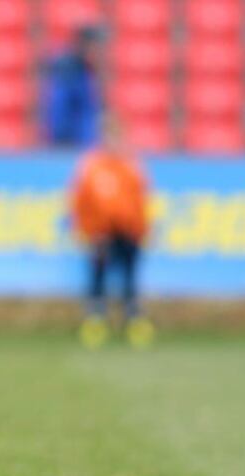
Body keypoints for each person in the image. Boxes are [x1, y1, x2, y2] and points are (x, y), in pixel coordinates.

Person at [70, 114, 153, 349]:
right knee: (98, 277)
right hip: (101, 232)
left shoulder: (132, 165)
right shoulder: (92, 166)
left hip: (128, 231)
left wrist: (141, 228)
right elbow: (81, 202)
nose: (113, 142)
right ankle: (96, 320)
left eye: (116, 137)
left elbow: (140, 200)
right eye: (109, 137)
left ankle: (133, 320)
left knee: (130, 278)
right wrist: (87, 229)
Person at [41, 23, 105, 148]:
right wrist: (65, 145)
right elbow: (58, 113)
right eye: (96, 45)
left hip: (83, 147)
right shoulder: (68, 71)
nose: (99, 51)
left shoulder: (85, 69)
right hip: (69, 148)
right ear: (85, 44)